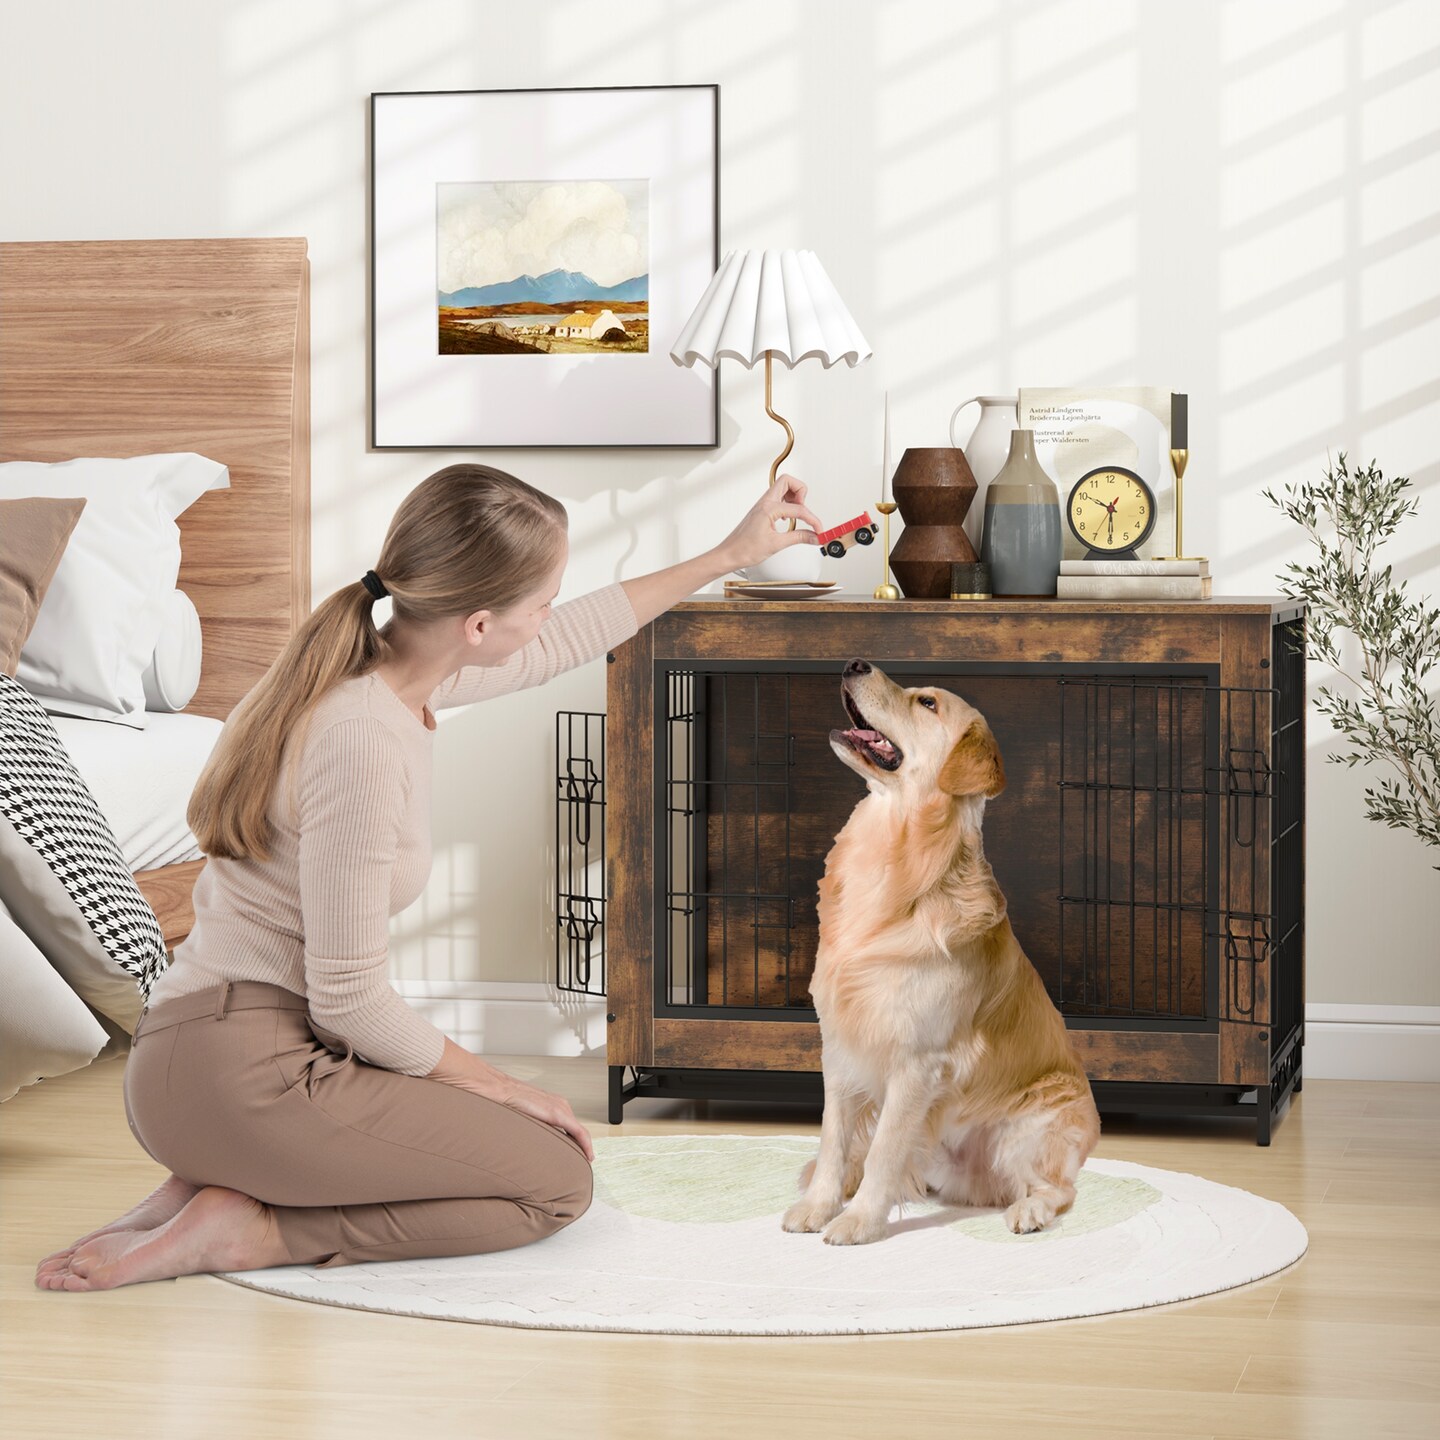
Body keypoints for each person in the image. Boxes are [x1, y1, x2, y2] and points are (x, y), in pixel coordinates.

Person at [36, 463, 823, 1292]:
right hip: (243, 1075)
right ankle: (251, 1229)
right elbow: (351, 999)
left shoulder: (376, 669)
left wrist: (730, 552)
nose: (551, 614)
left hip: (213, 1061)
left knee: (519, 1142)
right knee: (556, 1182)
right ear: (478, 624)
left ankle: (216, 1181)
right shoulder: (361, 738)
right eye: (543, 598)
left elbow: (569, 636)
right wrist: (506, 1085)